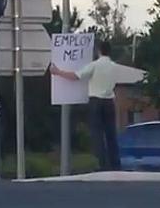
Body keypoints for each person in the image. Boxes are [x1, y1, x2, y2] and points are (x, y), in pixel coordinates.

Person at [50, 40, 121, 171]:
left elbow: (76, 76)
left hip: (96, 101)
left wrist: (58, 72)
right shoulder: (114, 66)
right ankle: (116, 164)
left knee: (97, 134)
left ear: (99, 51)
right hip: (110, 101)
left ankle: (103, 164)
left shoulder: (94, 65)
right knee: (111, 134)